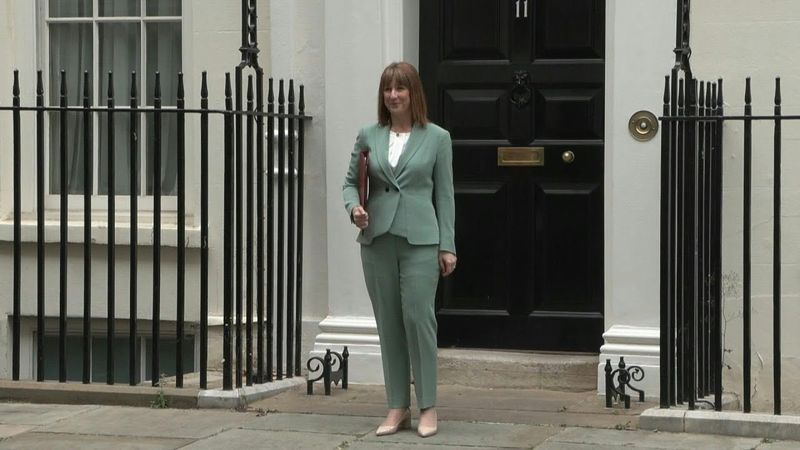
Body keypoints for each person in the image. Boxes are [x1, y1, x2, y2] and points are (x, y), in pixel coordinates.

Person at [342, 62, 457, 438]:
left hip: (421, 241)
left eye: (400, 89)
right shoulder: (368, 135)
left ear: (413, 94)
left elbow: (445, 195)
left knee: (418, 320)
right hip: (377, 241)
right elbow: (349, 184)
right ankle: (397, 407)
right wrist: (354, 208)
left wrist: (447, 245)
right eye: (388, 89)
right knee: (388, 323)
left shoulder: (437, 137)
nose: (393, 95)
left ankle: (428, 407)